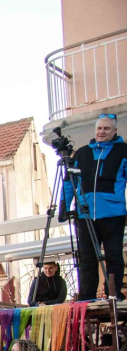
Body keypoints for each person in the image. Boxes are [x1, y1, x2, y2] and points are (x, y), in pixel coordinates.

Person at [62, 114, 127, 301]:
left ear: (115, 131)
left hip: (113, 213)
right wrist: (65, 207)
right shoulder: (82, 153)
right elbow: (69, 182)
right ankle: (87, 297)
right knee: (87, 258)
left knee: (114, 255)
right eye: (99, 128)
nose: (102, 132)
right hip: (85, 214)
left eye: (106, 129)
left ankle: (113, 294)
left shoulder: (123, 150)